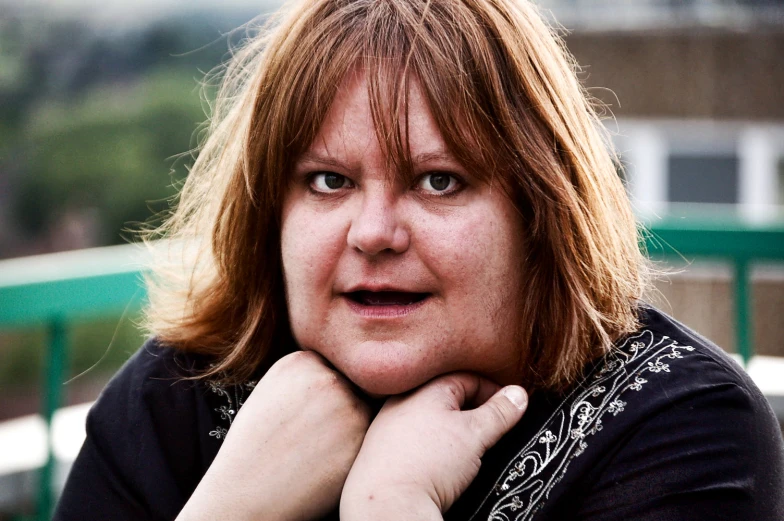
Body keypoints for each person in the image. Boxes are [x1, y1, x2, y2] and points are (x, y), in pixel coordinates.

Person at [54, 0, 784, 520]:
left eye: (439, 180)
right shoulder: (177, 391)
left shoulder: (682, 429)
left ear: (538, 211)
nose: (373, 232)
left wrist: (391, 506)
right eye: (328, 181)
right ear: (271, 211)